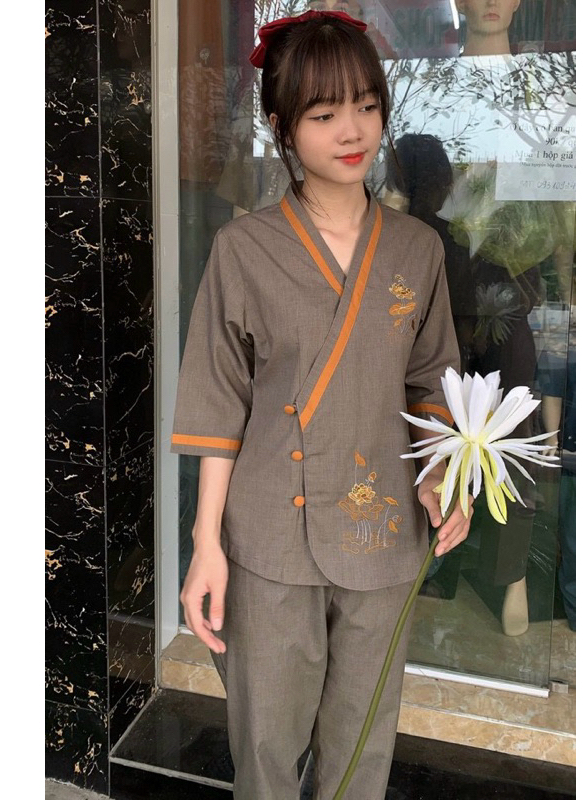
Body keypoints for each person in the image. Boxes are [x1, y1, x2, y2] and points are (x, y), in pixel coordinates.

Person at [170, 11, 472, 798]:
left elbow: (433, 383)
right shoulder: (244, 249)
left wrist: (443, 476)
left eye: (367, 105)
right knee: (265, 749)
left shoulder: (417, 250)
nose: (353, 129)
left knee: (361, 750)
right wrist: (206, 544)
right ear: (281, 126)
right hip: (270, 537)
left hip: (383, 529)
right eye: (325, 112)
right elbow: (217, 404)